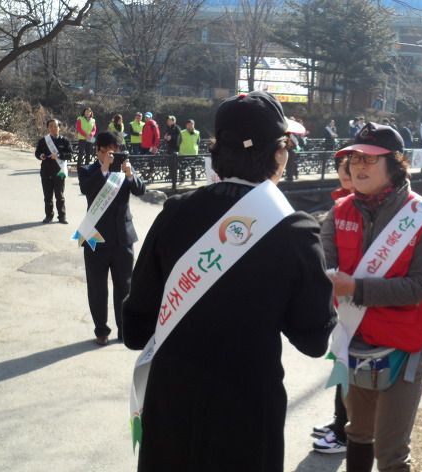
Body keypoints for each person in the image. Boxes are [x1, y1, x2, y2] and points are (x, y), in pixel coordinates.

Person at [122, 91, 335, 472]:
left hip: (172, 406)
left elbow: (136, 329)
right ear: (278, 153)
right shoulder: (295, 230)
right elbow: (314, 340)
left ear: (217, 149)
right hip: (247, 414)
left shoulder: (174, 213)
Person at [321, 122, 422, 471]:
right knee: (357, 432)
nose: (358, 165)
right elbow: (322, 266)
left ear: (395, 164)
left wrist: (356, 289)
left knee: (391, 452)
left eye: (370, 159)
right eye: (355, 157)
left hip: (403, 348)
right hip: (354, 341)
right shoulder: (339, 212)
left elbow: (420, 286)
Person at [76, 131, 146, 346]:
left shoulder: (124, 170)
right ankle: (101, 330)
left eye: (114, 151)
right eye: (106, 151)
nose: (111, 155)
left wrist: (130, 175)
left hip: (123, 238)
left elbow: (140, 190)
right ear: (98, 151)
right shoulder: (87, 170)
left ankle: (124, 329)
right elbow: (87, 189)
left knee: (125, 287)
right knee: (97, 288)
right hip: (95, 238)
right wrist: (104, 168)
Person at [311, 153, 355, 455]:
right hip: (344, 303)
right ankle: (340, 422)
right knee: (342, 364)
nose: (346, 172)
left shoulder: (366, 208)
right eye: (343, 167)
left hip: (359, 302)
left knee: (349, 366)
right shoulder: (342, 204)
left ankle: (344, 430)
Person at [34, 119, 73, 224]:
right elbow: (37, 153)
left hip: (59, 172)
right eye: (50, 126)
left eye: (55, 126)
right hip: (46, 171)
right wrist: (40, 155)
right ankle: (48, 216)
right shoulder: (43, 141)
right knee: (47, 196)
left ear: (59, 128)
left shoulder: (65, 141)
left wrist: (59, 155)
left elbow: (70, 155)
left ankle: (62, 217)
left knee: (60, 196)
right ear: (48, 128)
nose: (53, 128)